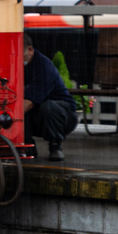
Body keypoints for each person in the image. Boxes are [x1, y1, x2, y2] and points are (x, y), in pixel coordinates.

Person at [23, 33, 78, 161]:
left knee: (46, 107)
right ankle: (27, 146)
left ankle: (55, 146)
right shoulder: (18, 66)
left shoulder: (43, 66)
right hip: (39, 115)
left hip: (63, 115)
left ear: (30, 50)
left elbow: (30, 102)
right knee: (22, 109)